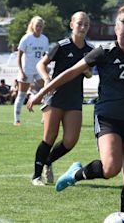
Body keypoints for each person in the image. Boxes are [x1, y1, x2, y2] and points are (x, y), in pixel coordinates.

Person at [27, 5, 124, 215]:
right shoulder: (103, 52)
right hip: (108, 119)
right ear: (116, 30)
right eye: (123, 35)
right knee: (111, 169)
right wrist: (42, 92)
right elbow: (70, 72)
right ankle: (76, 174)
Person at [29, 11, 94, 186]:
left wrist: (87, 72)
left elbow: (89, 73)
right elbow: (40, 64)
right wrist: (47, 80)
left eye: (86, 24)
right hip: (55, 97)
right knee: (49, 137)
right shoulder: (61, 45)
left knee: (71, 140)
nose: (82, 27)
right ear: (71, 25)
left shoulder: (91, 50)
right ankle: (36, 176)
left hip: (74, 99)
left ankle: (48, 161)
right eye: (79, 23)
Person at [13, 16, 49, 126]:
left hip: (39, 70)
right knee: (21, 95)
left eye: (40, 26)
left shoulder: (44, 39)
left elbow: (45, 55)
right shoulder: (26, 38)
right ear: (32, 26)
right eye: (37, 26)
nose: (38, 28)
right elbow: (19, 56)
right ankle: (17, 119)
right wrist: (21, 71)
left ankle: (45, 117)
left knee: (46, 92)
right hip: (27, 70)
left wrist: (46, 67)